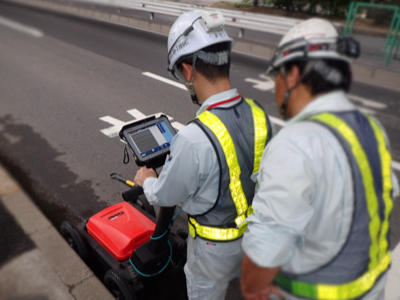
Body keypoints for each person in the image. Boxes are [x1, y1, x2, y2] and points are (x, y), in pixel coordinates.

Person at [240, 18, 400, 300]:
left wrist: (252, 285)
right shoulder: (372, 130)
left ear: (292, 75)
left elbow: (263, 259)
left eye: (277, 74)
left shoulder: (294, 144)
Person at [134, 10, 274, 300]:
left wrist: (147, 180)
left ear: (188, 69)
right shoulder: (259, 115)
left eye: (178, 73)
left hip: (213, 252)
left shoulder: (192, 138)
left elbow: (164, 196)